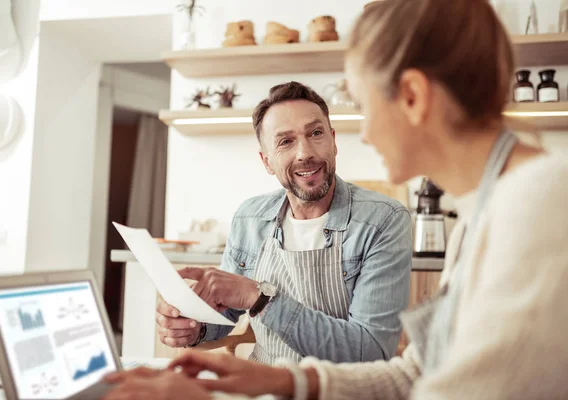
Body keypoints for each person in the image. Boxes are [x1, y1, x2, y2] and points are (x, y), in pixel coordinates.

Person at [102, 0, 568, 398]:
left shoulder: (537, 207)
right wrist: (275, 379)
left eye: (363, 107)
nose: (362, 132)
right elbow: (418, 372)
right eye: (286, 141)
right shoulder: (484, 210)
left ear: (412, 97)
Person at [155, 81, 413, 365]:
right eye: (285, 141)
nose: (305, 153)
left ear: (333, 142)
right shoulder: (250, 217)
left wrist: (260, 298)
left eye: (316, 133)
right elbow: (226, 315)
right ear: (267, 161)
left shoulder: (384, 220)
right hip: (261, 385)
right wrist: (194, 326)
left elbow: (370, 350)